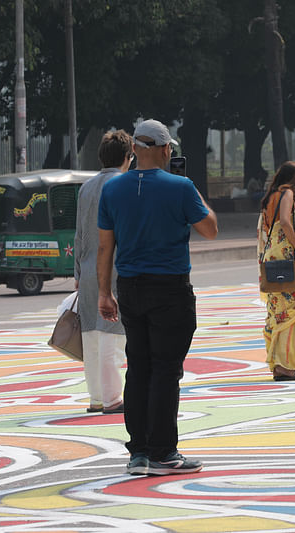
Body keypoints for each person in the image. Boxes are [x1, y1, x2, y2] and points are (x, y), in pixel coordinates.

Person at [97, 119, 218, 476]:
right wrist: (194, 193)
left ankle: (139, 452)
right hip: (169, 288)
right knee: (166, 370)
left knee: (139, 367)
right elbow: (210, 229)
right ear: (166, 150)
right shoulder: (181, 187)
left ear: (134, 148)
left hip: (130, 287)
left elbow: (106, 246)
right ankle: (164, 451)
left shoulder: (113, 190)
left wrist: (104, 292)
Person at [74, 130, 132, 415]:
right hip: (116, 270)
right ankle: (112, 399)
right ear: (127, 157)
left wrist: (77, 273)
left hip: (86, 272)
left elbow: (79, 235)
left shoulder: (86, 188)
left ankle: (96, 398)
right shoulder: (125, 184)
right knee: (112, 335)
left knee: (92, 338)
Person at [258, 161, 295, 381]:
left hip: (271, 254)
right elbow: (285, 222)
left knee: (277, 310)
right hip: (285, 255)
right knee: (293, 309)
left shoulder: (270, 196)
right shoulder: (288, 193)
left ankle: (278, 362)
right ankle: (286, 365)